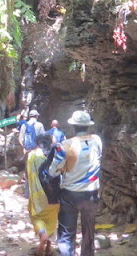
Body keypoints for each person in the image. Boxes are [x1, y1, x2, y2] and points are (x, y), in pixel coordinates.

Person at [48, 110, 102, 256]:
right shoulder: (97, 140)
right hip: (91, 193)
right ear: (88, 126)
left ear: (73, 126)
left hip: (70, 195)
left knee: (66, 234)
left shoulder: (66, 145)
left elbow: (53, 172)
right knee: (89, 231)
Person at [26, 134, 60, 256]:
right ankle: (48, 248)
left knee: (37, 217)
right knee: (52, 219)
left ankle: (42, 237)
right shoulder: (54, 154)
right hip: (54, 195)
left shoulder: (32, 155)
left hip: (38, 195)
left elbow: (30, 175)